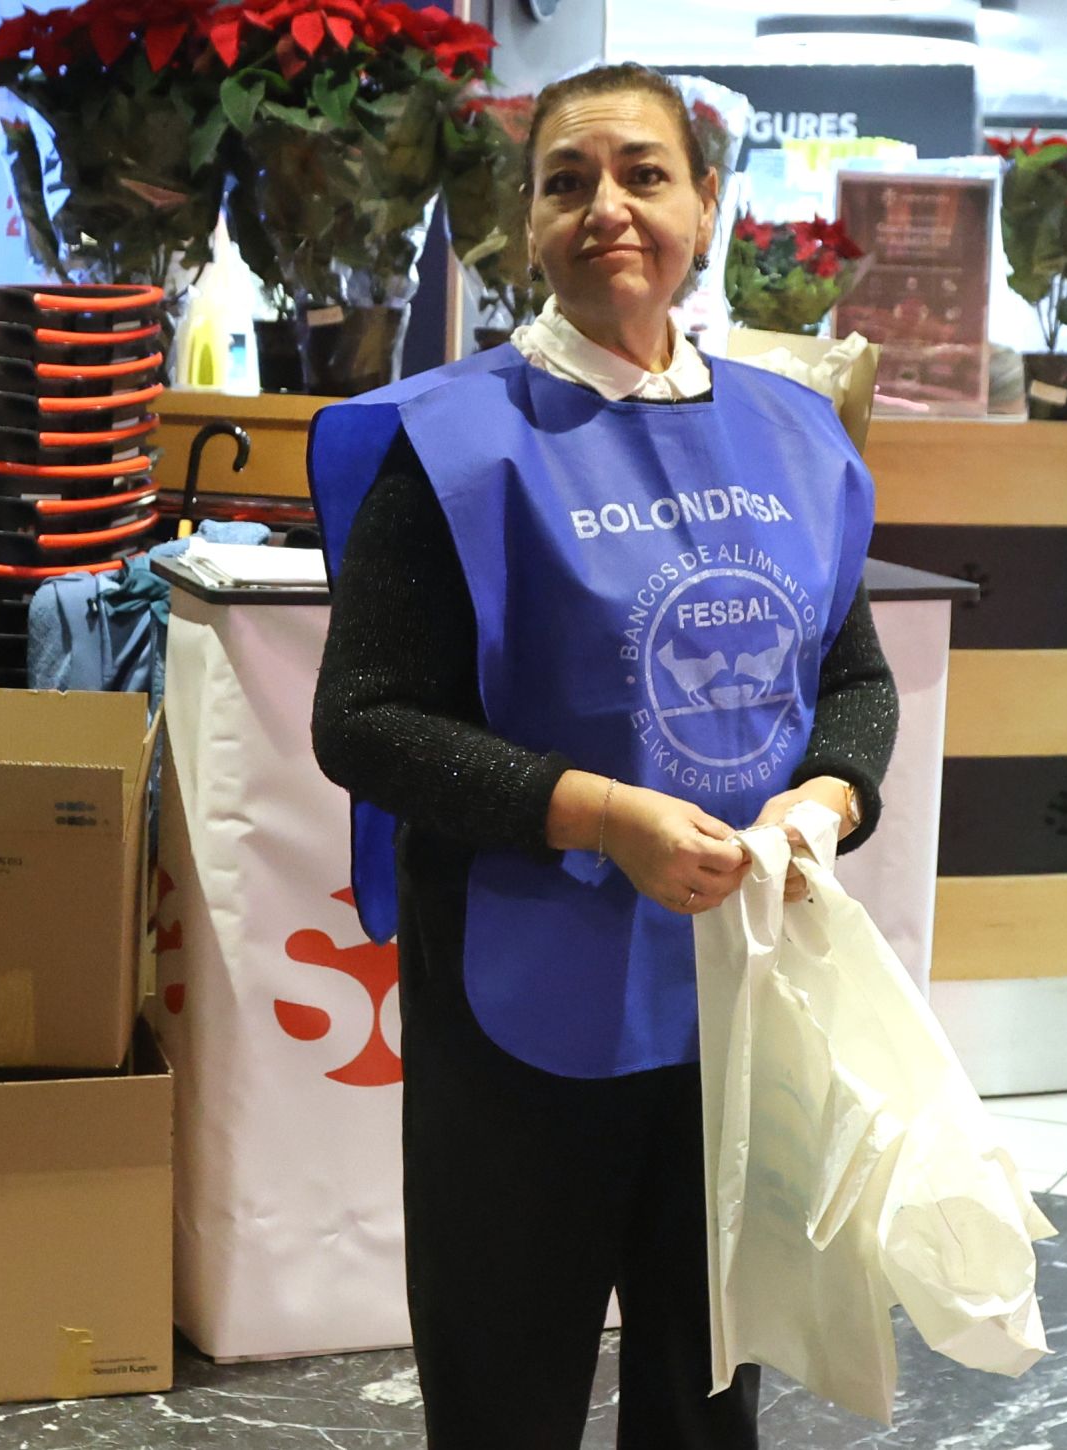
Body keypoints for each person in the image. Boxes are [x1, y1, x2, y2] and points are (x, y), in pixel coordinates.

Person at [309, 62, 898, 1449]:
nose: (607, 208)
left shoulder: (797, 436)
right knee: (506, 1380)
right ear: (527, 227)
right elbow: (367, 717)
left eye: (644, 173)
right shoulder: (449, 445)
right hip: (525, 987)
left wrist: (821, 802)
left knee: (706, 1387)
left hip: (737, 993)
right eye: (566, 181)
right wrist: (595, 814)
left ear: (706, 202)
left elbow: (852, 679)